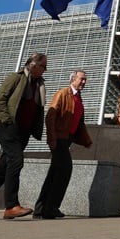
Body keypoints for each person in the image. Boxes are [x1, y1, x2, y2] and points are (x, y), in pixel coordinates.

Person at [0, 52, 47, 220]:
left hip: (23, 132)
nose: (45, 70)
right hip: (7, 127)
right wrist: (6, 120)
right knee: (16, 160)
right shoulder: (16, 78)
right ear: (33, 65)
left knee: (3, 170)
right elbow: (0, 100)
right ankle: (11, 206)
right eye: (43, 66)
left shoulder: (39, 85)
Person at [33, 69, 93, 220]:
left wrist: (86, 140)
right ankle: (51, 208)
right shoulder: (62, 94)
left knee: (54, 172)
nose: (84, 82)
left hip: (67, 139)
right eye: (81, 79)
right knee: (65, 169)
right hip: (58, 138)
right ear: (73, 79)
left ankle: (40, 209)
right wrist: (51, 138)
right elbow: (50, 117)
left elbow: (79, 123)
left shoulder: (78, 98)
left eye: (85, 80)